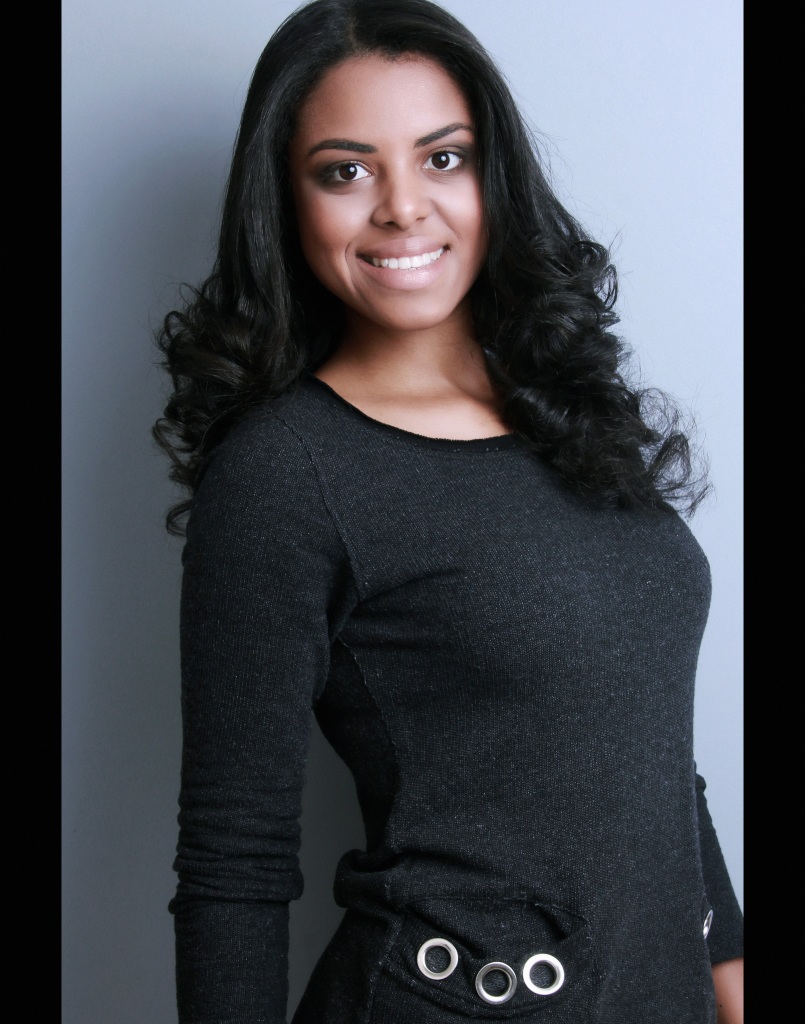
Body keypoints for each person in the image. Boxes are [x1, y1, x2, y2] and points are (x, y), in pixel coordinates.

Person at [152, 1, 744, 1021]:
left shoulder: (570, 410)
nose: (401, 208)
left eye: (442, 158)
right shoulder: (285, 472)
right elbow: (232, 855)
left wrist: (728, 977)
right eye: (345, 170)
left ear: (491, 174)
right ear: (285, 202)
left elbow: (644, 749)